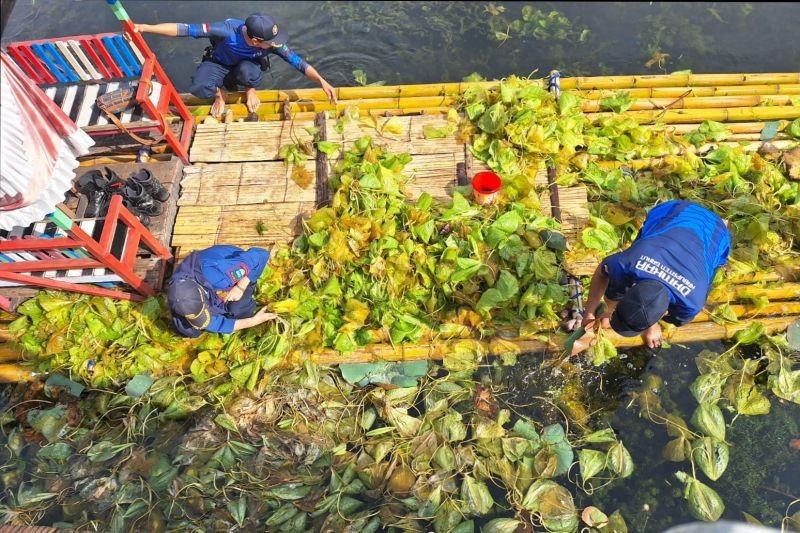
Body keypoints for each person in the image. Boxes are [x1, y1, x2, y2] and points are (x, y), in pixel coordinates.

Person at [581, 199, 731, 349]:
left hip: (715, 233)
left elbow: (655, 308)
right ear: (632, 287)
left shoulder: (690, 304)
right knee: (619, 282)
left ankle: (720, 224)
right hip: (675, 210)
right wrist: (589, 313)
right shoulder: (628, 263)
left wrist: (652, 326)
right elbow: (602, 273)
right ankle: (611, 311)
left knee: (709, 265)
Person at [134, 13, 337, 119]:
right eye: (271, 41)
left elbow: (298, 62)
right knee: (198, 88)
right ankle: (220, 91)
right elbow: (184, 29)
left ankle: (250, 89)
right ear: (256, 40)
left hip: (247, 66)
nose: (276, 43)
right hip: (220, 62)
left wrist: (321, 81)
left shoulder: (272, 43)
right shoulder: (226, 31)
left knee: (247, 71)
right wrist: (146, 28)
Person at [166, 245, 277, 337]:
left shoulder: (223, 275)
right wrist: (251, 322)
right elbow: (203, 318)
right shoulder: (177, 293)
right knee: (186, 330)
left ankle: (236, 308)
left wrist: (240, 287)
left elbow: (261, 255)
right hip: (208, 289)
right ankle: (215, 315)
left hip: (232, 278)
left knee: (239, 311)